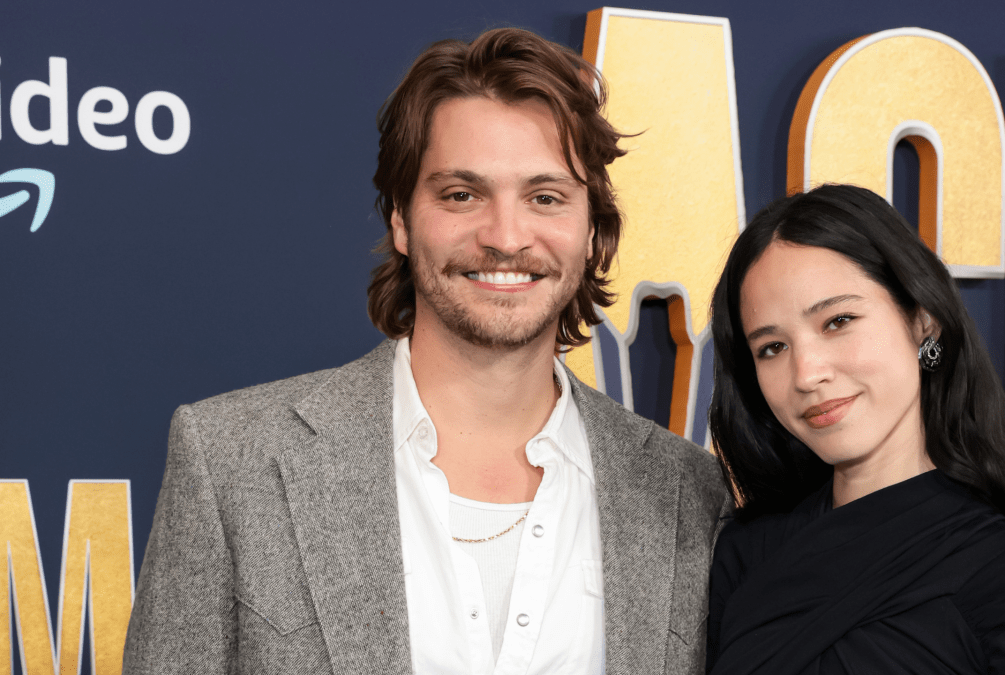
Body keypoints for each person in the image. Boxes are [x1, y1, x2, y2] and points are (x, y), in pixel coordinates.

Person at [123, 27, 728, 675]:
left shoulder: (688, 493)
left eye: (545, 197)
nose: (504, 236)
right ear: (402, 220)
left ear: (591, 232)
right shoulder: (231, 462)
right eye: (462, 194)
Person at [704, 184, 1005, 674]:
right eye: (772, 348)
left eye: (837, 321)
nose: (807, 374)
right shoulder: (746, 553)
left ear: (923, 320)